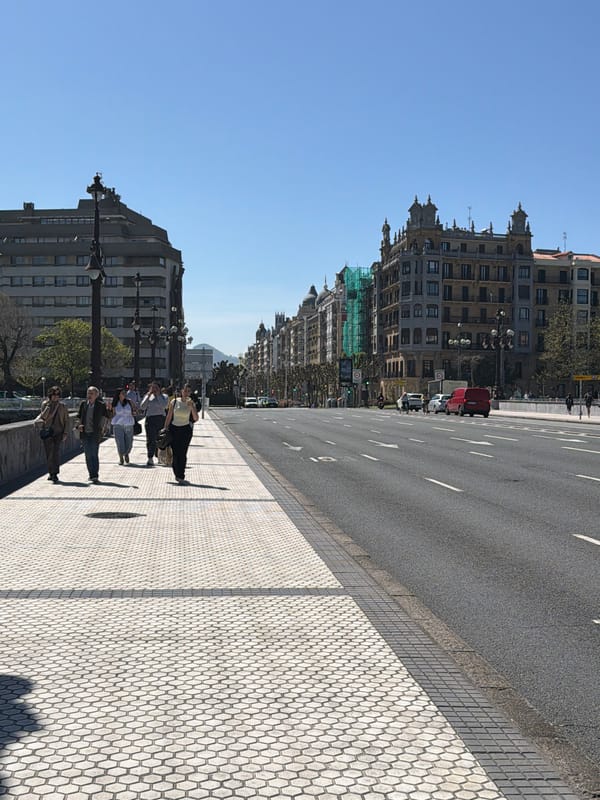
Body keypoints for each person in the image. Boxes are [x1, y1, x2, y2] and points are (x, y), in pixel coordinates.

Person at [75, 386, 111, 484]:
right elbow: (78, 417)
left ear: (96, 395)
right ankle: (91, 474)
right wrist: (78, 425)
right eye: (88, 393)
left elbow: (107, 416)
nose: (89, 395)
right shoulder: (83, 404)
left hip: (95, 433)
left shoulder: (100, 405)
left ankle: (95, 475)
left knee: (94, 454)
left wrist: (110, 409)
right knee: (87, 455)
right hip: (85, 433)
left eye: (91, 393)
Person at [164, 384, 199, 484]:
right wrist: (165, 428)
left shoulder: (191, 403)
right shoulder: (174, 401)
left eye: (188, 391)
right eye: (185, 390)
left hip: (186, 430)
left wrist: (192, 407)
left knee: (182, 453)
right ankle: (177, 473)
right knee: (175, 453)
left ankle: (181, 475)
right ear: (181, 391)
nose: (186, 393)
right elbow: (169, 416)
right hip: (174, 429)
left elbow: (196, 418)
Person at [36, 386, 70, 483]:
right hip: (47, 432)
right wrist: (48, 407)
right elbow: (43, 417)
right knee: (49, 453)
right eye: (54, 394)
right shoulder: (45, 404)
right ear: (50, 395)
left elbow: (66, 420)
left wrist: (65, 432)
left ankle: (54, 473)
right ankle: (51, 472)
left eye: (58, 395)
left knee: (55, 452)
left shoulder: (62, 406)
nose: (56, 397)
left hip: (58, 432)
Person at [140, 381, 168, 466]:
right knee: (151, 439)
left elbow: (164, 406)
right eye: (152, 387)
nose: (154, 389)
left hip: (160, 418)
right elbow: (142, 406)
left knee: (160, 438)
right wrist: (148, 395)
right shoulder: (148, 396)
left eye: (156, 388)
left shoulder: (164, 397)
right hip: (150, 419)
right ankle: (150, 457)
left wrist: (158, 395)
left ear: (159, 389)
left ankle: (159, 455)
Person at [111, 388, 135, 465]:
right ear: (119, 394)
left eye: (125, 393)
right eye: (122, 393)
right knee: (120, 441)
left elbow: (134, 410)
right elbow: (112, 414)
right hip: (118, 424)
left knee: (129, 441)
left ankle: (127, 453)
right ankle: (121, 456)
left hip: (128, 424)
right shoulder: (115, 403)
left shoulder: (129, 401)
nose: (124, 394)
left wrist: (135, 410)